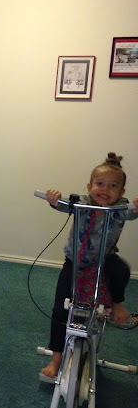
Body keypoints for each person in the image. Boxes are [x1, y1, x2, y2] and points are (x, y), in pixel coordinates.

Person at [41, 152, 138, 379]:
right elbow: (63, 205)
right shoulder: (82, 203)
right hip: (75, 261)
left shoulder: (121, 208)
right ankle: (56, 357)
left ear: (121, 192)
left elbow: (133, 213)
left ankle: (117, 303)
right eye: (100, 184)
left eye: (113, 186)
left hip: (104, 258)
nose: (105, 190)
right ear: (89, 185)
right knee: (60, 308)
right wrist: (54, 199)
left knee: (122, 270)